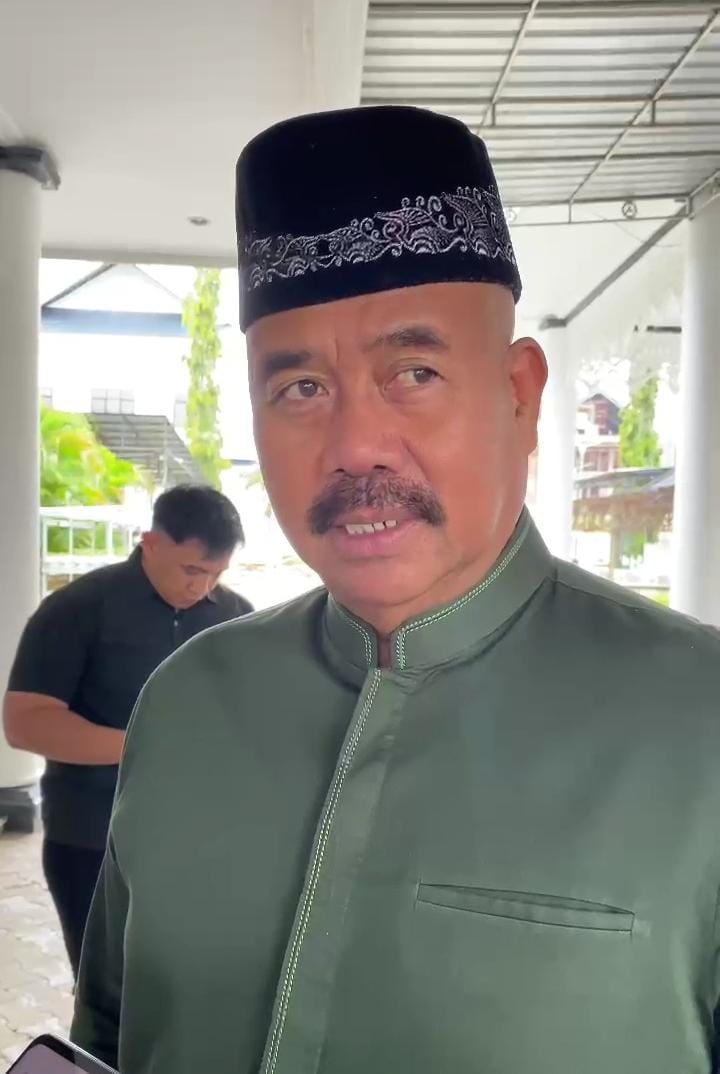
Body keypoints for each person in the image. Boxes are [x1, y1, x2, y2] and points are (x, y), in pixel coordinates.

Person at [71, 107, 720, 1074]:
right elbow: (110, 1034)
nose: (355, 448)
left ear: (520, 395)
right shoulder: (188, 703)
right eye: (300, 389)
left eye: (414, 372)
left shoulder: (700, 722)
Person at [3, 484, 252, 977]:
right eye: (191, 570)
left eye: (216, 574)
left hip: (199, 839)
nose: (201, 587)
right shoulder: (76, 609)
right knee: (106, 990)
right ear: (150, 543)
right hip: (93, 837)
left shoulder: (236, 618)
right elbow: (25, 723)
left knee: (188, 985)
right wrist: (147, 747)